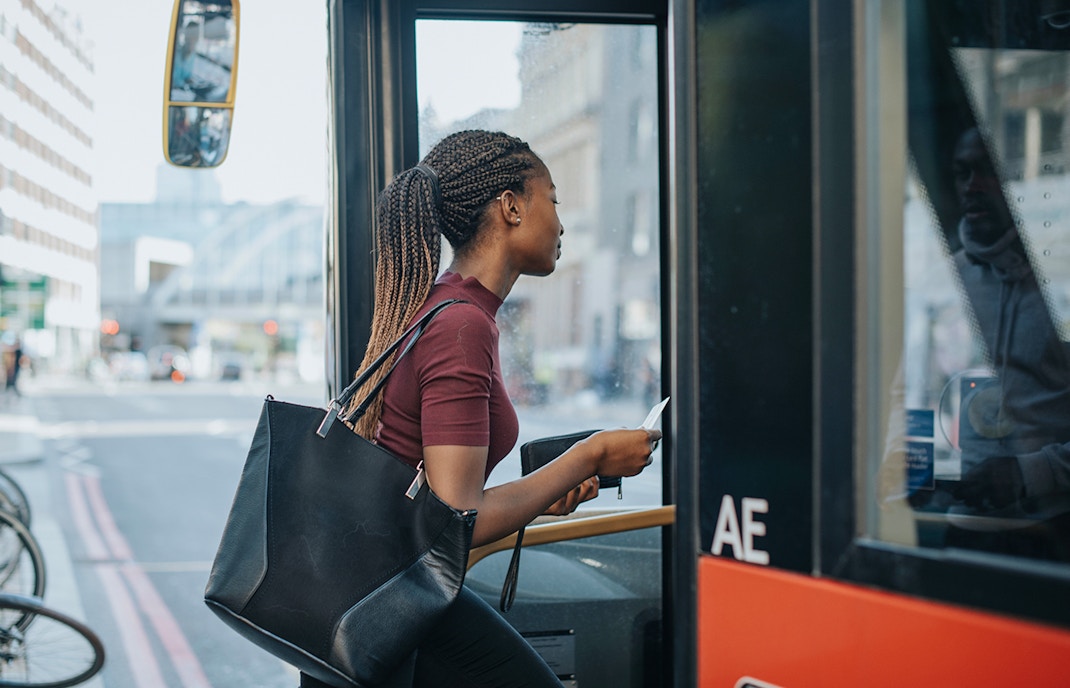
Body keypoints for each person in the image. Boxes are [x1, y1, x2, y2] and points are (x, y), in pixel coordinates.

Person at [299, 130, 660, 688]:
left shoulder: (448, 306)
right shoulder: (462, 326)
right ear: (512, 206)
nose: (562, 223)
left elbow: (440, 514)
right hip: (389, 608)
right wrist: (591, 454)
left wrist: (542, 494)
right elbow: (455, 516)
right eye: (554, 200)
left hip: (379, 596)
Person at [942, 126, 1070, 560]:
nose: (972, 186)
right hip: (957, 527)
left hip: (1054, 533)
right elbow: (903, 399)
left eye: (987, 172)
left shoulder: (1061, 281)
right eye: (963, 173)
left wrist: (1028, 473)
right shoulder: (942, 280)